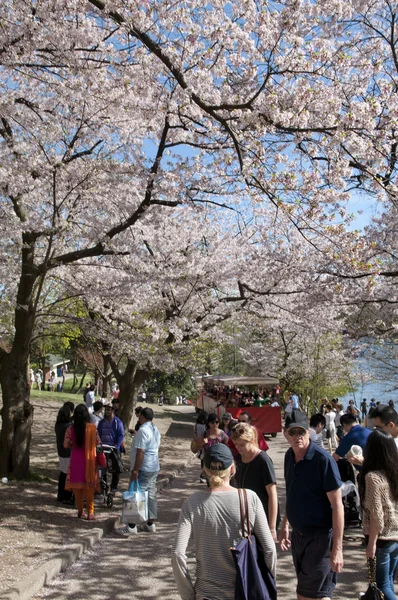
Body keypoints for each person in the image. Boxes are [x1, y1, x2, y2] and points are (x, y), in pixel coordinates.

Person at [172, 444, 277, 600]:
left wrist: (188, 596)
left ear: (204, 469)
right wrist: (265, 582)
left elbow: (177, 554)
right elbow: (269, 550)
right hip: (245, 592)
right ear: (233, 468)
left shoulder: (192, 503)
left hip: (206, 594)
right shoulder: (249, 499)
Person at [279, 411, 344, 600]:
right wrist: (285, 524)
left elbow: (337, 506)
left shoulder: (323, 460)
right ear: (285, 434)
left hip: (320, 539)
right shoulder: (288, 457)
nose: (297, 436)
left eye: (301, 432)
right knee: (313, 594)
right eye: (292, 432)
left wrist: (337, 549)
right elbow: (292, 494)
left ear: (308, 432)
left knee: (308, 595)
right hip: (298, 538)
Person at [359, 430, 398, 600]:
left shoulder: (373, 477)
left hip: (381, 539)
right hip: (395, 536)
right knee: (388, 581)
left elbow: (376, 515)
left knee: (382, 587)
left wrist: (371, 544)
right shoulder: (394, 474)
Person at [231, 422, 279, 541]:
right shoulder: (239, 457)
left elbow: (272, 495)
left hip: (263, 519)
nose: (238, 448)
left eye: (242, 444)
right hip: (246, 518)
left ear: (252, 440)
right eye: (236, 444)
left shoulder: (263, 460)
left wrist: (272, 528)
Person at [120, 407, 161, 535]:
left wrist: (135, 470)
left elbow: (140, 451)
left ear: (142, 416)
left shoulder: (143, 430)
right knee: (151, 495)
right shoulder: (155, 429)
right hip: (153, 466)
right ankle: (150, 523)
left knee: (136, 493)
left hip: (144, 467)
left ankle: (131, 525)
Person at [64, 404, 101, 520]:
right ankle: (90, 512)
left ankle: (80, 511)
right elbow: (98, 443)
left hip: (76, 460)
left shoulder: (70, 429)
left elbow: (66, 444)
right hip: (89, 460)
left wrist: (73, 443)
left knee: (77, 488)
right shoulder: (92, 428)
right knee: (89, 487)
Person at [98, 403, 125, 493]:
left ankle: (114, 486)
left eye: (109, 409)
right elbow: (98, 434)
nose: (107, 411)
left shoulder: (118, 422)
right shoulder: (101, 423)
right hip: (103, 448)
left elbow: (121, 435)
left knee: (116, 468)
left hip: (113, 449)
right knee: (102, 468)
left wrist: (116, 446)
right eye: (106, 409)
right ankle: (103, 486)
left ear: (113, 411)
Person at [55, 405, 74, 504]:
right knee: (67, 474)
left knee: (63, 473)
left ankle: (60, 495)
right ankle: (66, 495)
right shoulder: (69, 426)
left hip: (60, 451)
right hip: (67, 452)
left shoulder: (58, 424)